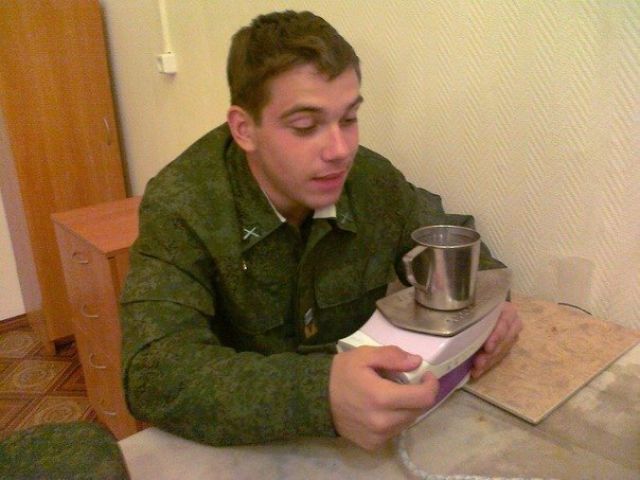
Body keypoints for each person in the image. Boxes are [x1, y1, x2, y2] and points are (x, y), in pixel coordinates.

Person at [120, 10, 521, 451]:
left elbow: (449, 237)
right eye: (305, 126)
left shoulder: (369, 179)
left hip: (361, 447)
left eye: (348, 119)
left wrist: (491, 307)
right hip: (241, 450)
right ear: (244, 129)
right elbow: (154, 373)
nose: (340, 150)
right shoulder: (182, 205)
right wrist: (318, 394)